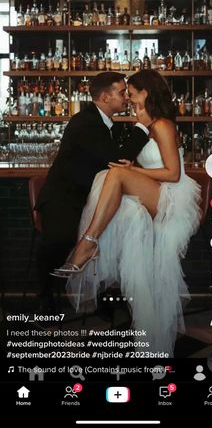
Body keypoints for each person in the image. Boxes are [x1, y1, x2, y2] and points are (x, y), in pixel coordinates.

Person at [52, 70, 202, 356]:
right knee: (116, 183)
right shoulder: (143, 124)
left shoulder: (163, 125)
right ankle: (93, 246)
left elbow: (173, 173)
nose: (128, 96)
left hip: (172, 197)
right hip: (153, 192)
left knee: (118, 175)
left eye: (131, 91)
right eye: (124, 92)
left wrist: (133, 170)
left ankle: (88, 242)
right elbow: (123, 158)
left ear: (146, 92)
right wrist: (132, 156)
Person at [35, 71, 150, 311]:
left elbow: (116, 160)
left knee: (122, 227)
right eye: (121, 93)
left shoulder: (107, 124)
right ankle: (45, 298)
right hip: (64, 198)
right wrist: (143, 126)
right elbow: (115, 159)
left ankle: (106, 297)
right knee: (60, 239)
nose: (126, 98)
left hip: (90, 198)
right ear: (106, 97)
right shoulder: (85, 122)